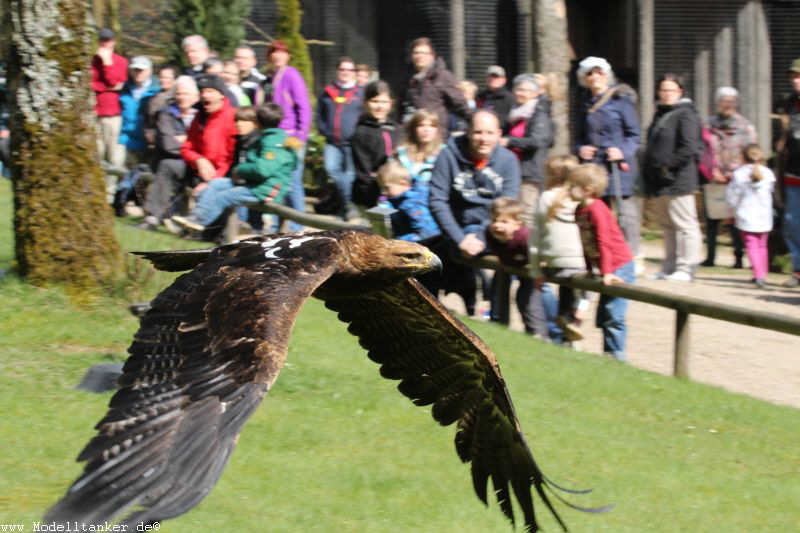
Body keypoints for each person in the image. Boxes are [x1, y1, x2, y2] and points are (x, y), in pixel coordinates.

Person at [429, 109, 521, 314]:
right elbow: (437, 201)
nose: (483, 139)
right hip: (461, 230)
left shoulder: (508, 161)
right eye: (478, 132)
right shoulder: (448, 156)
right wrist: (460, 239)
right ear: (468, 132)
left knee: (526, 252)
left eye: (489, 133)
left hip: (495, 228)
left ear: (498, 134)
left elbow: (508, 205)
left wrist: (480, 235)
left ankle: (545, 328)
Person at [172, 103, 298, 233]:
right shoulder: (266, 137)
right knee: (215, 184)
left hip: (266, 190)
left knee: (224, 196)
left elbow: (262, 169)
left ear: (257, 122)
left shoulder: (273, 142)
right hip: (254, 184)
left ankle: (199, 223)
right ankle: (194, 218)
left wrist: (239, 170)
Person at [144, 74, 236, 228]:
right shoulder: (200, 116)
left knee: (212, 195)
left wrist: (211, 181)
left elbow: (232, 159)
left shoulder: (232, 117)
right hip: (197, 169)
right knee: (168, 165)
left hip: (221, 176)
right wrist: (199, 160)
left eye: (210, 91)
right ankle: (152, 218)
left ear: (221, 94)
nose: (205, 95)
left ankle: (202, 229)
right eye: (202, 92)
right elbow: (187, 147)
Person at [575, 56, 642, 262]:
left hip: (617, 165)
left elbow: (635, 135)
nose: (595, 77)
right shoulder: (584, 101)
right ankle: (602, 255)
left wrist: (622, 151)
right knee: (596, 212)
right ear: (584, 77)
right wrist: (580, 149)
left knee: (625, 214)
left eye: (599, 72)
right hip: (594, 167)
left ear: (606, 74)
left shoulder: (620, 100)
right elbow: (578, 136)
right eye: (590, 73)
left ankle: (631, 256)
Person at [568, 163, 635, 361]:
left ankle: (617, 356)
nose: (568, 190)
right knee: (604, 315)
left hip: (619, 266)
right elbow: (585, 242)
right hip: (604, 267)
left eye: (572, 185)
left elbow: (603, 241)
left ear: (587, 189)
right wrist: (590, 268)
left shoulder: (597, 209)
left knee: (614, 314)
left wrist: (606, 272)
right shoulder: (579, 211)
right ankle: (609, 354)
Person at [643, 73, 703, 282]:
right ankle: (668, 267)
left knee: (686, 225)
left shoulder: (686, 114)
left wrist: (669, 165)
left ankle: (686, 268)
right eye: (663, 90)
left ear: (680, 92)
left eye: (671, 90)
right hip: (659, 181)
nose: (667, 94)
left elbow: (689, 147)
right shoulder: (660, 113)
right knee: (667, 227)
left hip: (678, 180)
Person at [530, 155, 586, 343]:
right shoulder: (581, 199)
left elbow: (535, 237)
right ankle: (579, 312)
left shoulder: (545, 197)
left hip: (553, 263)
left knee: (553, 284)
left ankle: (563, 317)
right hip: (579, 263)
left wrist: (536, 269)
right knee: (585, 286)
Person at [700, 86, 756, 268]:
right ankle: (710, 257)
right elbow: (703, 150)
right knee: (711, 219)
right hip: (714, 178)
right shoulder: (708, 126)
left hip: (737, 180)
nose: (728, 105)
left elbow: (752, 152)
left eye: (731, 101)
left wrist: (734, 173)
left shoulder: (746, 126)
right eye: (724, 101)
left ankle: (738, 258)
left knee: (735, 220)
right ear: (718, 103)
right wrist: (713, 170)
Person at [260, 39, 311, 232]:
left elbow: (304, 107)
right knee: (278, 180)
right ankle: (277, 224)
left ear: (288, 55)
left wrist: (301, 135)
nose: (277, 55)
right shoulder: (269, 77)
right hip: (274, 136)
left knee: (293, 181)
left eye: (282, 52)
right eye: (274, 52)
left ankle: (298, 225)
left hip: (291, 136)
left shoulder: (291, 74)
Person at [484, 197, 545, 337]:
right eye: (494, 220)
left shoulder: (524, 238)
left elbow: (539, 256)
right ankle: (501, 325)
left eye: (504, 222)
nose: (497, 225)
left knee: (526, 300)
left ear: (518, 224)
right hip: (509, 265)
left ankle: (538, 333)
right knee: (500, 291)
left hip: (532, 268)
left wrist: (538, 271)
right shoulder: (490, 233)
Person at [500, 73, 554, 229]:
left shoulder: (539, 114)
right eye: (517, 89)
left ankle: (529, 248)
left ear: (535, 93)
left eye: (524, 90)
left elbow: (538, 141)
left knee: (527, 213)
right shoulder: (515, 113)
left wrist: (509, 141)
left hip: (530, 172)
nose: (519, 93)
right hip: (513, 169)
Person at [316, 57, 363, 220]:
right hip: (332, 142)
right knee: (331, 170)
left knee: (350, 175)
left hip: (352, 143)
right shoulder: (328, 91)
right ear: (337, 71)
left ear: (354, 73)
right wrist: (323, 130)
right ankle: (348, 204)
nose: (345, 73)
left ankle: (347, 207)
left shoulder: (360, 93)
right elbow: (319, 113)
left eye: (349, 70)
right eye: (342, 69)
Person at [725, 144, 776, 289]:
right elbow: (771, 191)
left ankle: (758, 275)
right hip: (764, 215)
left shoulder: (739, 174)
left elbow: (732, 196)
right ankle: (762, 273)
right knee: (762, 245)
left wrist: (731, 210)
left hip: (746, 215)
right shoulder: (768, 173)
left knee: (751, 245)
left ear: (743, 157)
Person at [91, 28, 128, 202]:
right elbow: (91, 84)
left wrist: (107, 62)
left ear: (114, 41)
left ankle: (109, 195)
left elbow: (115, 81)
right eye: (102, 40)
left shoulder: (120, 61)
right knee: (96, 153)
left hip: (113, 115)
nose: (105, 43)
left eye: (108, 40)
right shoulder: (91, 61)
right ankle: (95, 192)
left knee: (114, 156)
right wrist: (106, 87)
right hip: (94, 113)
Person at [401, 37, 470, 131]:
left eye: (423, 53)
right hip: (412, 134)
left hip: (436, 135)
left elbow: (460, 105)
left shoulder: (442, 76)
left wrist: (476, 123)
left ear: (432, 56)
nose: (419, 56)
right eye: (416, 52)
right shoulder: (407, 77)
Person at [351, 80, 400, 210]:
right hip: (370, 196)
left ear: (391, 104)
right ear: (366, 103)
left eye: (384, 102)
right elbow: (364, 172)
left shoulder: (396, 129)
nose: (380, 106)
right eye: (375, 101)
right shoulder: (361, 132)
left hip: (395, 194)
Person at [376, 160, 440, 242]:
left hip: (426, 244)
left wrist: (400, 241)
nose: (383, 192)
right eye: (381, 188)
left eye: (386, 188)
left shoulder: (412, 204)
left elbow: (428, 232)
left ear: (403, 184)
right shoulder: (397, 200)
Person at [778, 58, 800, 288]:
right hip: (792, 175)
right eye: (793, 76)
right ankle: (798, 270)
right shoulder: (788, 105)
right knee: (792, 224)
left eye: (799, 76)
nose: (795, 80)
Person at [118, 56, 160, 165]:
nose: (138, 73)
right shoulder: (124, 89)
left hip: (148, 143)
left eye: (142, 70)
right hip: (126, 141)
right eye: (135, 70)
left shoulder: (157, 91)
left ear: (150, 70)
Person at [396, 108, 445, 199]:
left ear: (437, 130)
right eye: (421, 125)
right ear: (414, 128)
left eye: (431, 126)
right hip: (401, 203)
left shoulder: (444, 154)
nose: (426, 129)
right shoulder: (401, 154)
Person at [144, 65, 178, 149]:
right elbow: (148, 119)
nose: (162, 80)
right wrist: (148, 132)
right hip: (154, 141)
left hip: (171, 140)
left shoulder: (178, 97)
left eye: (166, 77)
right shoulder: (154, 97)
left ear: (174, 79)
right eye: (161, 77)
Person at [477, 65, 515, 133]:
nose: (493, 79)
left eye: (496, 77)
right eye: (490, 76)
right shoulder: (480, 96)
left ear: (504, 80)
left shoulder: (509, 98)